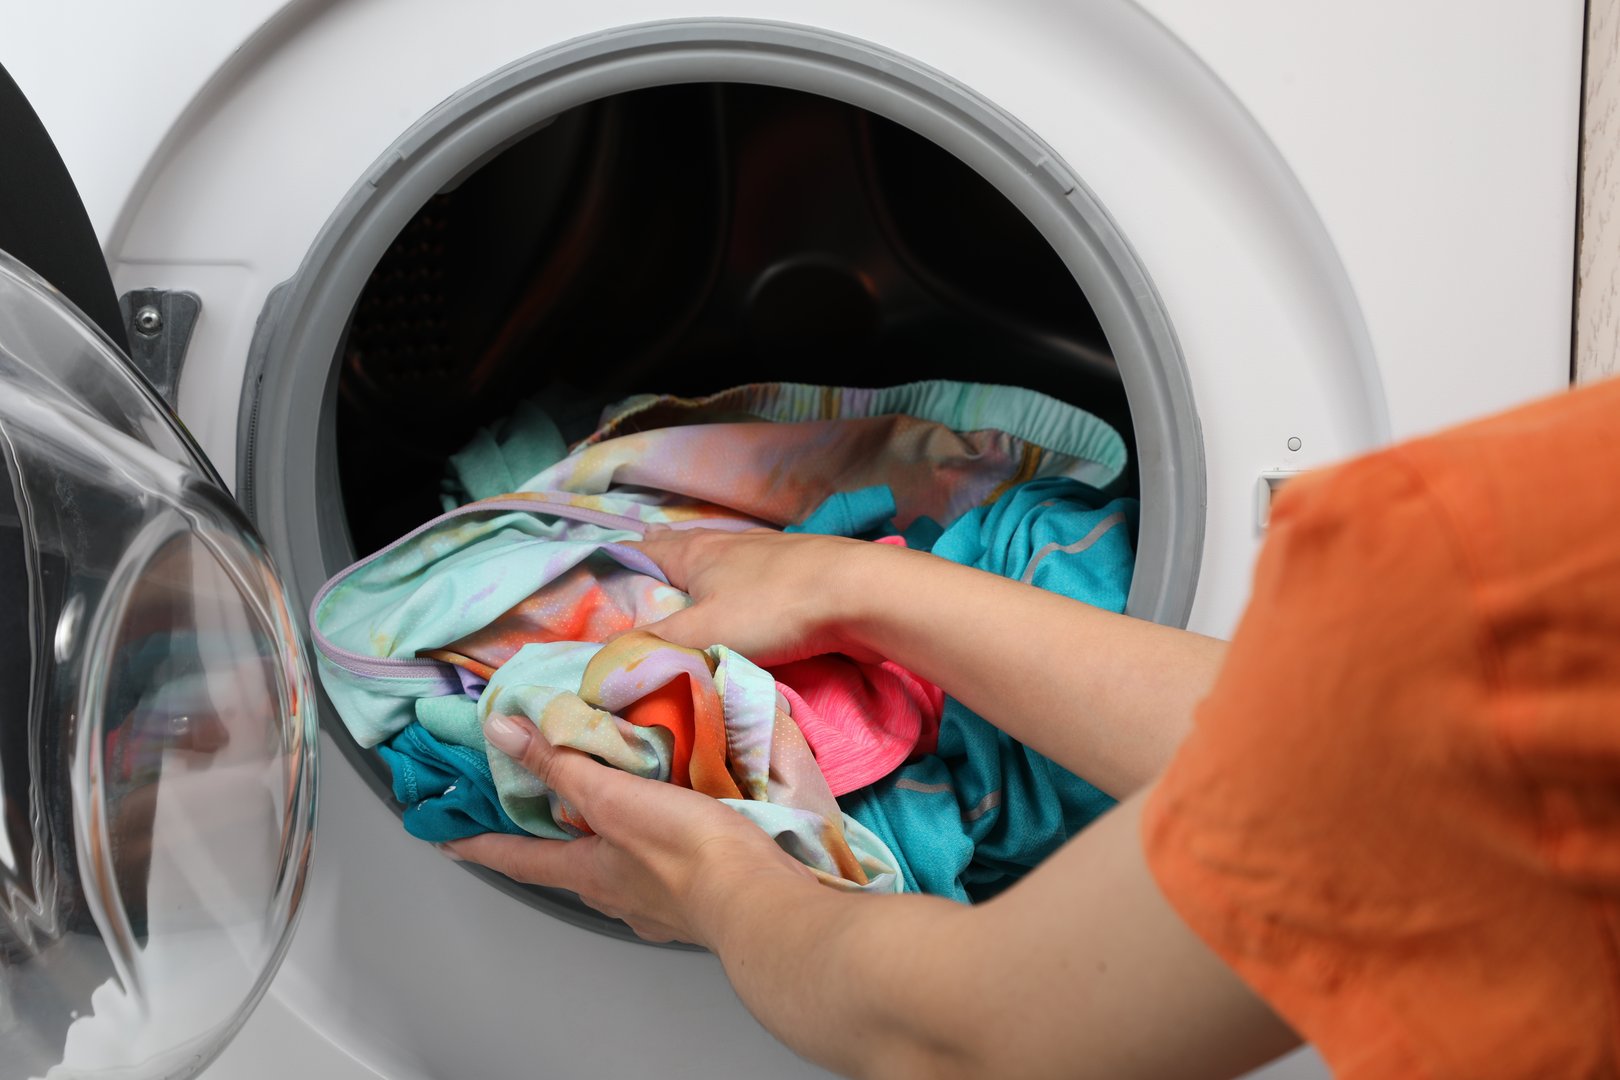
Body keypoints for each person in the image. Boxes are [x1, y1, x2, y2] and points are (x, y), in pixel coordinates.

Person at [446, 377, 1620, 1080]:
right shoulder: (1531, 606)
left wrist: (717, 889)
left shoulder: (1532, 555)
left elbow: (969, 1041)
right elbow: (1355, 766)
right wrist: (854, 587)